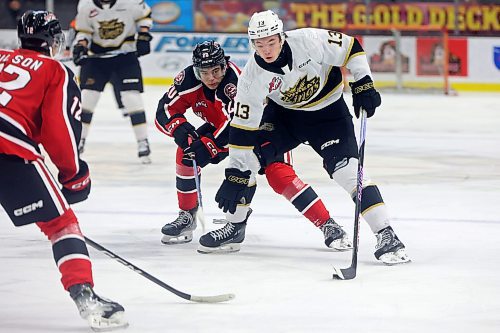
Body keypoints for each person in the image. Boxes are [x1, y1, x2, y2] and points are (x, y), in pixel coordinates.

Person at [200, 10, 410, 265]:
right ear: (252, 44)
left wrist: (364, 82)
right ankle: (234, 228)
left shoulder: (309, 40)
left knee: (347, 171)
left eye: (271, 41)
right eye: (259, 44)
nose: (266, 49)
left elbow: (352, 48)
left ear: (281, 36)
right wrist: (234, 173)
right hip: (284, 118)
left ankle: (386, 233)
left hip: (328, 114)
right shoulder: (251, 78)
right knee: (249, 164)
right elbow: (242, 131)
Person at [156, 40, 352, 252]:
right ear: (196, 71)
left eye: (216, 70)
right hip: (224, 130)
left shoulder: (237, 83)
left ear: (224, 65)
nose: (211, 77)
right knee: (186, 154)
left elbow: (238, 124)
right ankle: (188, 215)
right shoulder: (187, 81)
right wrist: (180, 131)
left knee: (279, 175)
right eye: (205, 72)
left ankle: (328, 225)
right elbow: (164, 110)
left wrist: (210, 145)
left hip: (264, 129)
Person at [0, 10, 128, 330]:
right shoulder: (55, 70)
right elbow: (60, 130)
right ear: (53, 40)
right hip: (10, 149)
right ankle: (85, 297)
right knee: (62, 224)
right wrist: (73, 173)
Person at [73, 0, 153, 164]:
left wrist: (144, 35)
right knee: (87, 100)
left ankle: (142, 141)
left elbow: (144, 16)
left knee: (132, 99)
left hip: (125, 57)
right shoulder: (86, 5)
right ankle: (78, 141)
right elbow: (84, 31)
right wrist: (81, 46)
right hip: (97, 59)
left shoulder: (130, 2)